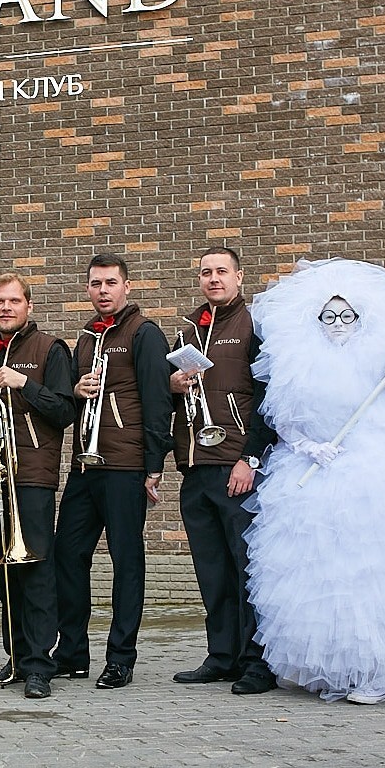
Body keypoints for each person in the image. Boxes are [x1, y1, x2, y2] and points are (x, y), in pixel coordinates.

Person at [243, 258, 385, 704]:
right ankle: (327, 669)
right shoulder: (300, 363)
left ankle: (379, 672)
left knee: (368, 572)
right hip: (316, 474)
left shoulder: (383, 361)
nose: (337, 323)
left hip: (374, 476)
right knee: (319, 571)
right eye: (329, 316)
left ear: (361, 319)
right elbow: (283, 419)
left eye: (346, 316)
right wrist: (308, 448)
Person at [54, 254, 173, 689]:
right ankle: (72, 652)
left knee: (127, 563)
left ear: (127, 286)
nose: (102, 290)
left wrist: (154, 466)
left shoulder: (144, 333)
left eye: (110, 283)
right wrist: (73, 387)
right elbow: (69, 402)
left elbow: (158, 402)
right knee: (67, 555)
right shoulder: (85, 338)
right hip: (84, 468)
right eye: (95, 284)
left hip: (125, 467)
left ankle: (121, 657)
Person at [168, 247, 277, 695]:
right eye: (206, 272)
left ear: (239, 276)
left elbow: (269, 397)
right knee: (211, 569)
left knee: (246, 569)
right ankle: (221, 656)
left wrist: (249, 458)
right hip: (195, 468)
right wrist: (173, 384)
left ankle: (258, 662)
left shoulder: (255, 326)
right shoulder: (188, 330)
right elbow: (174, 398)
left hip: (236, 466)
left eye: (221, 271)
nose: (213, 279)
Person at [0, 273, 76, 700]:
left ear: (28, 306)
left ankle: (39, 666)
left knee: (35, 569)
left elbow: (65, 410)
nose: (6, 308)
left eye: (14, 301)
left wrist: (25, 383)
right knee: (1, 569)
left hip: (31, 475)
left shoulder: (50, 349)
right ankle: (17, 653)